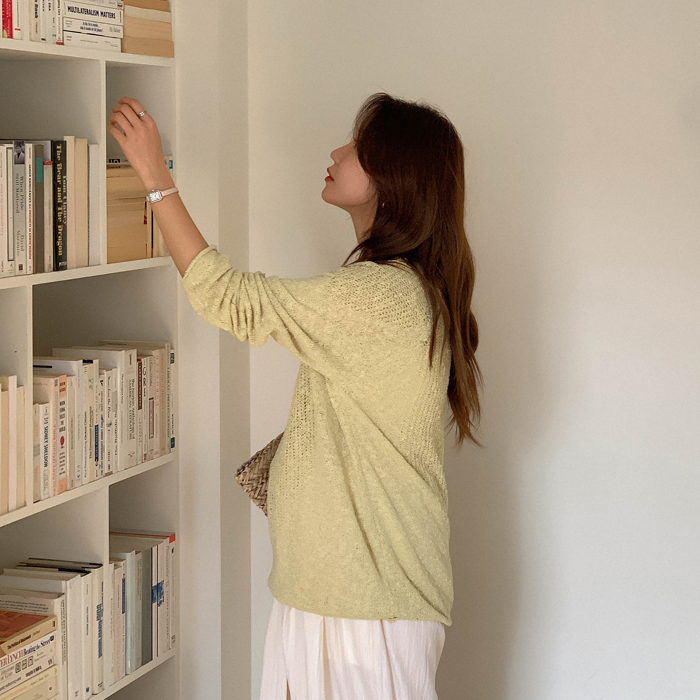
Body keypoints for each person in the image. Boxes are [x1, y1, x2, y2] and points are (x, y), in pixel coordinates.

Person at [108, 91, 483, 700]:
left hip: (365, 605)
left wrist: (156, 178)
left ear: (393, 178)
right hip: (337, 593)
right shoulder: (393, 287)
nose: (336, 153)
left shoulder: (381, 296)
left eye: (357, 148)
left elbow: (230, 296)